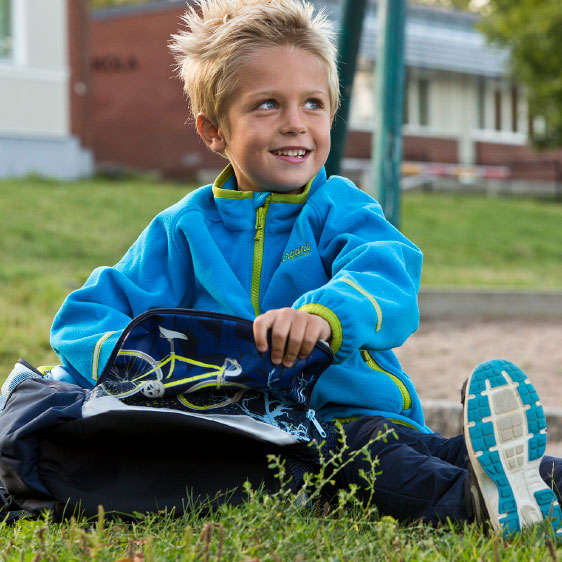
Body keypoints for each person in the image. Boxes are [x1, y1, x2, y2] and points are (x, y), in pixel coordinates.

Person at [45, 0, 562, 536]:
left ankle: (506, 490)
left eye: (313, 104)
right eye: (267, 104)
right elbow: (84, 316)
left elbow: (387, 271)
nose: (296, 124)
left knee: (410, 453)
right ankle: (484, 503)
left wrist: (323, 314)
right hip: (272, 440)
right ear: (213, 130)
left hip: (355, 413)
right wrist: (134, 361)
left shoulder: (340, 206)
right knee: (382, 469)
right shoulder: (182, 231)